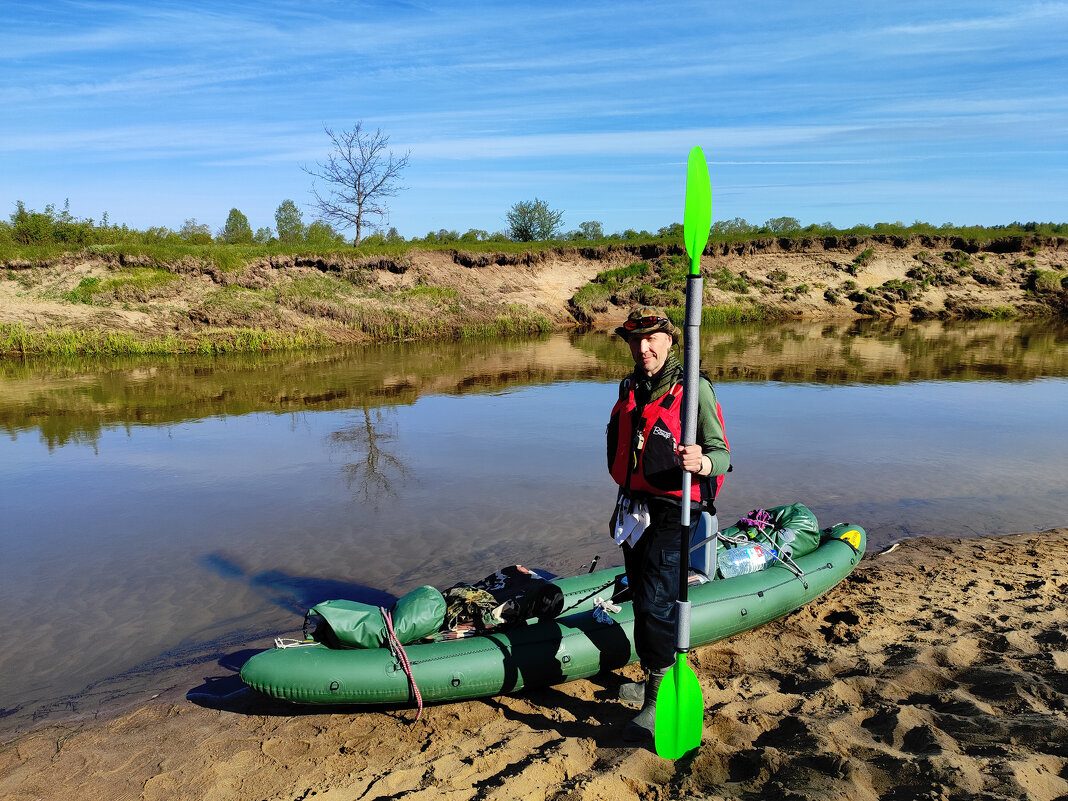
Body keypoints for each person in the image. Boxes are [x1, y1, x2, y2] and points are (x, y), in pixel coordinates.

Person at [606, 306, 730, 742]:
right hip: (636, 508)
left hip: (676, 512)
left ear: (670, 341)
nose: (643, 348)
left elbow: (724, 455)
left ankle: (658, 699)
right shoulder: (630, 388)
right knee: (640, 593)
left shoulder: (694, 389)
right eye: (636, 341)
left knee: (655, 602)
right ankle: (652, 678)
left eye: (652, 339)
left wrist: (703, 462)